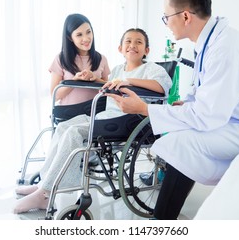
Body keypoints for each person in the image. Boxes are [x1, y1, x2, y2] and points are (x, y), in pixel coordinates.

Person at [106, 0, 239, 220]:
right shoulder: (208, 42)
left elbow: (207, 115)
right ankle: (165, 215)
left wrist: (145, 109)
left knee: (182, 143)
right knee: (179, 138)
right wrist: (187, 103)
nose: (166, 23)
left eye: (166, 16)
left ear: (185, 16)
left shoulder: (226, 48)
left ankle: (162, 220)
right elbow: (205, 92)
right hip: (237, 117)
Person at [13, 28, 172, 214]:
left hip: (127, 120)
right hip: (105, 117)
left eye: (138, 42)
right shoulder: (118, 70)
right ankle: (45, 181)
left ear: (147, 50)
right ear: (120, 48)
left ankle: (46, 193)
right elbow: (108, 85)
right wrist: (94, 78)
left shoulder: (152, 69)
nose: (133, 45)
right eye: (128, 41)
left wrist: (129, 81)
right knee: (64, 127)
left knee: (75, 133)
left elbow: (162, 86)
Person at [15, 13, 110, 196]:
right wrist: (74, 79)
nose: (86, 38)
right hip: (68, 113)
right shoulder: (61, 59)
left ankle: (45, 187)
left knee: (67, 131)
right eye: (79, 34)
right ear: (70, 38)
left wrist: (95, 78)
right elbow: (55, 94)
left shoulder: (100, 59)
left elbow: (108, 89)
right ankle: (43, 183)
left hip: (92, 113)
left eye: (88, 32)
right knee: (62, 131)